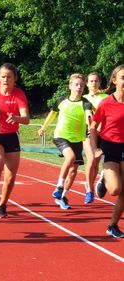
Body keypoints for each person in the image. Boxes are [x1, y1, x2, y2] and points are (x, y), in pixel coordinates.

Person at [38, 73, 92, 210]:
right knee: (70, 157)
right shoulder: (61, 100)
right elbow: (52, 114)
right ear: (70, 86)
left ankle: (62, 196)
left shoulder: (85, 103)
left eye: (81, 85)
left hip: (77, 139)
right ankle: (59, 186)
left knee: (74, 169)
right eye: (76, 84)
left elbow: (88, 115)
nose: (79, 87)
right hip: (61, 135)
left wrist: (90, 126)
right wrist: (43, 127)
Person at [0, 63, 30, 218]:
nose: (5, 80)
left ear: (15, 78)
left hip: (11, 135)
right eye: (3, 77)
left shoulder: (18, 95)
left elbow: (26, 119)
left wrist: (16, 117)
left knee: (11, 175)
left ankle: (2, 204)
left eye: (9, 77)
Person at [90, 65, 124, 238]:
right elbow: (94, 126)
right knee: (115, 190)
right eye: (123, 77)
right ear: (114, 81)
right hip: (110, 145)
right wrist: (95, 147)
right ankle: (104, 177)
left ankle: (112, 225)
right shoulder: (106, 103)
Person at [81, 72, 108, 204]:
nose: (94, 83)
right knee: (91, 159)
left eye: (96, 81)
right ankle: (89, 190)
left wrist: (100, 127)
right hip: (87, 132)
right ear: (86, 83)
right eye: (91, 81)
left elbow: (108, 114)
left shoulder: (105, 97)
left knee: (96, 163)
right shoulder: (83, 98)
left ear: (99, 83)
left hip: (102, 131)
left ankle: (91, 183)